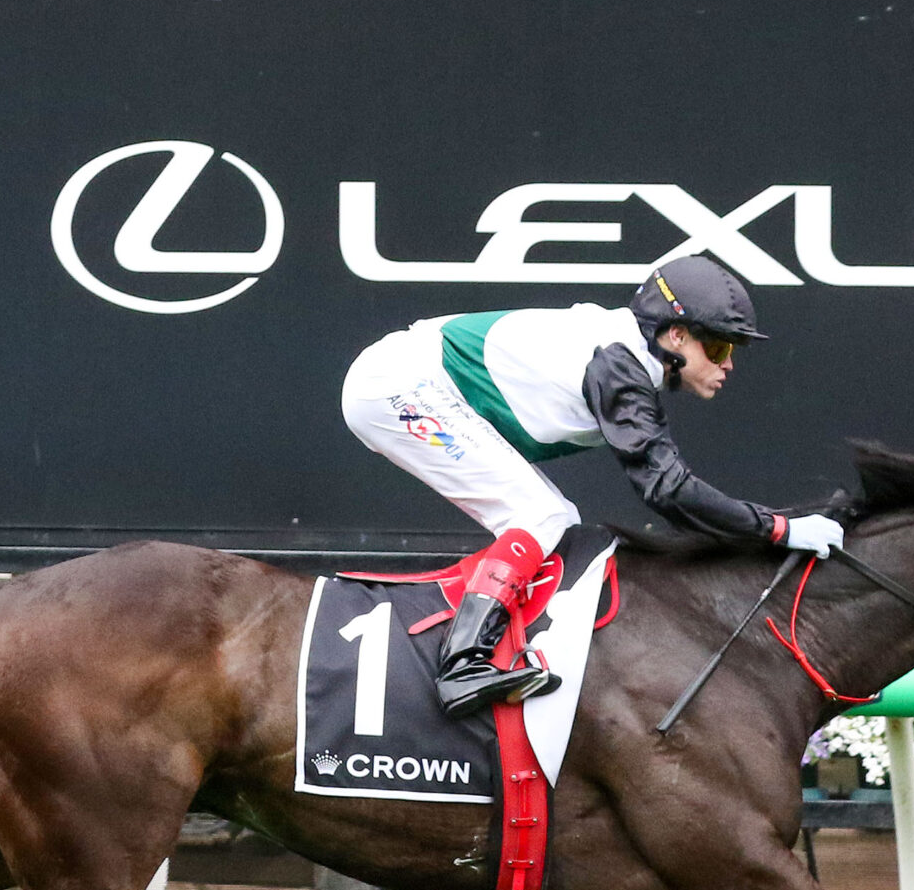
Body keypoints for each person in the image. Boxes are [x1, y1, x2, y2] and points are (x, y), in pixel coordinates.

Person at [341, 254, 845, 718]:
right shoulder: (618, 366)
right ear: (674, 336)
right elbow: (668, 491)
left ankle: (492, 649)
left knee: (554, 519)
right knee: (541, 516)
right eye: (717, 347)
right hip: (398, 387)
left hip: (405, 380)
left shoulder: (624, 355)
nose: (727, 364)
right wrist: (777, 529)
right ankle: (462, 665)